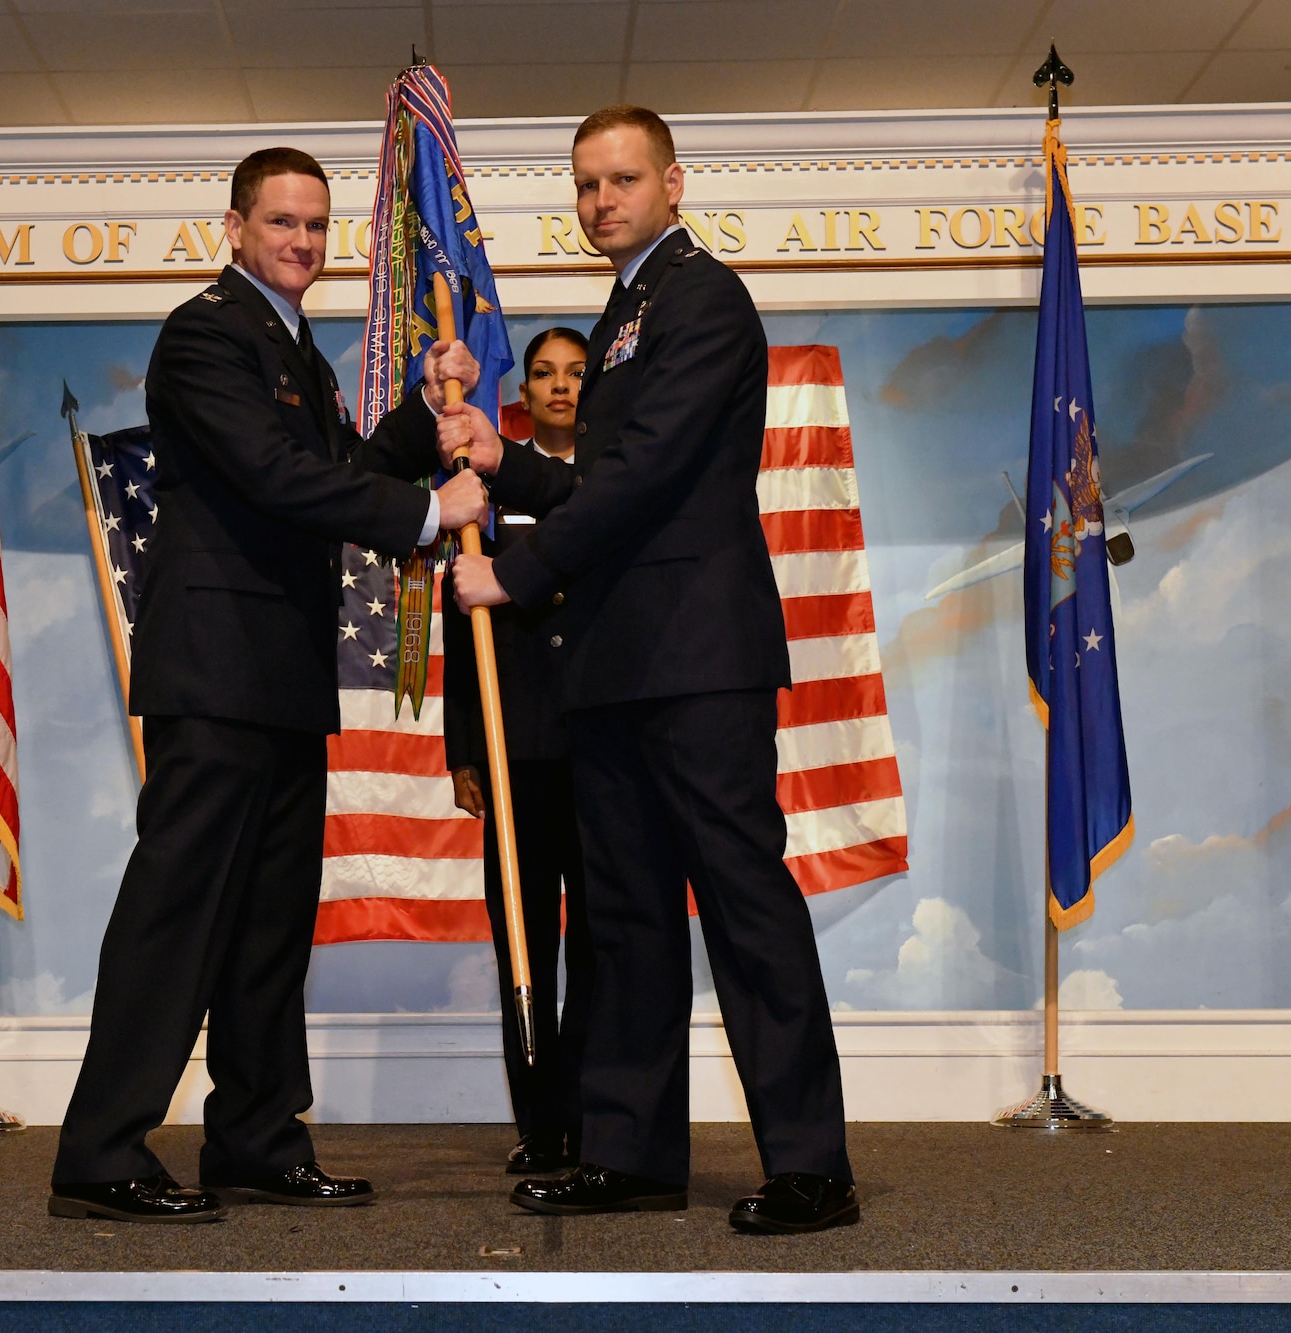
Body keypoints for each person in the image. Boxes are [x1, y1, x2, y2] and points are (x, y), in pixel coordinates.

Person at [50, 146, 490, 1225]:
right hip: (214, 668)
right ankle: (100, 1151)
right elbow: (271, 473)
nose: (299, 241)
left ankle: (253, 1136)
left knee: (266, 923)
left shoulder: (286, 341)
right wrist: (428, 516)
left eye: (314, 226)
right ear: (235, 227)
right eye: (281, 222)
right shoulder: (204, 332)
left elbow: (335, 462)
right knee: (178, 912)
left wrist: (420, 425)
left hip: (283, 673)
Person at [440, 106, 858, 1234]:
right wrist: (504, 459)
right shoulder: (622, 312)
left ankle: (812, 1165)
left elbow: (649, 476)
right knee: (620, 916)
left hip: (697, 657)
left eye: (620, 180)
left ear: (671, 182)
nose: (599, 202)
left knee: (740, 902)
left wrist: (512, 580)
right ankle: (628, 1151)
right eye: (583, 185)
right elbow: (600, 479)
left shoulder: (702, 297)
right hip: (614, 661)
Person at [442, 326, 594, 1176]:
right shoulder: (484, 491)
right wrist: (464, 744)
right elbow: (465, 627)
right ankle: (541, 1124)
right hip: (515, 749)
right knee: (526, 943)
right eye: (543, 374)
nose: (561, 387)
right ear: (523, 392)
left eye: (576, 373)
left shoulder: (614, 485)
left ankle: (591, 1111)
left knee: (605, 943)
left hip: (601, 745)